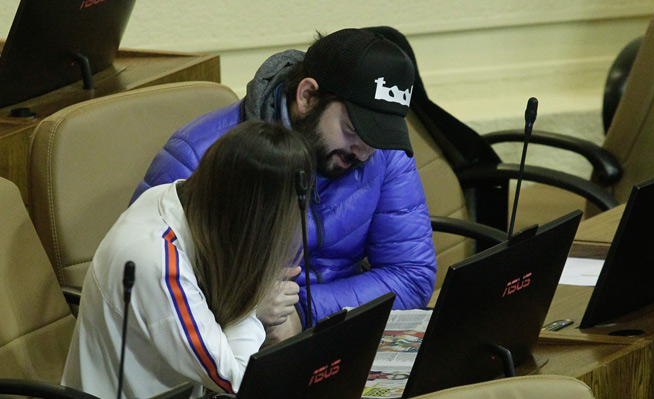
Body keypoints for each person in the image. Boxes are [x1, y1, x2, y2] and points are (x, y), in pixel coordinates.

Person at [132, 28, 437, 338]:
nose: (364, 151)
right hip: (232, 345)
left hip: (339, 329)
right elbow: (152, 292)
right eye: (352, 129)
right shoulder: (197, 156)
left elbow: (412, 276)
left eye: (378, 137)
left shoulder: (379, 153)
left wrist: (305, 313)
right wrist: (248, 314)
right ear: (307, 97)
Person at [62, 120, 315, 398]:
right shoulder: (157, 262)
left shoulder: (178, 200)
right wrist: (252, 306)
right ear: (254, 219)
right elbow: (239, 383)